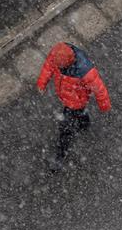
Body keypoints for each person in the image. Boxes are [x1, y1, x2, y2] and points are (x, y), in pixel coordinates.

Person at [36, 42, 110, 172]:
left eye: (60, 66)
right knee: (80, 113)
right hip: (68, 99)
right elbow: (48, 67)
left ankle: (59, 157)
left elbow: (99, 89)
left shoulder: (84, 70)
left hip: (76, 101)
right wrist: (42, 82)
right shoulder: (57, 54)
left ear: (68, 63)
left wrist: (104, 105)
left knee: (65, 129)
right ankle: (84, 123)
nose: (57, 67)